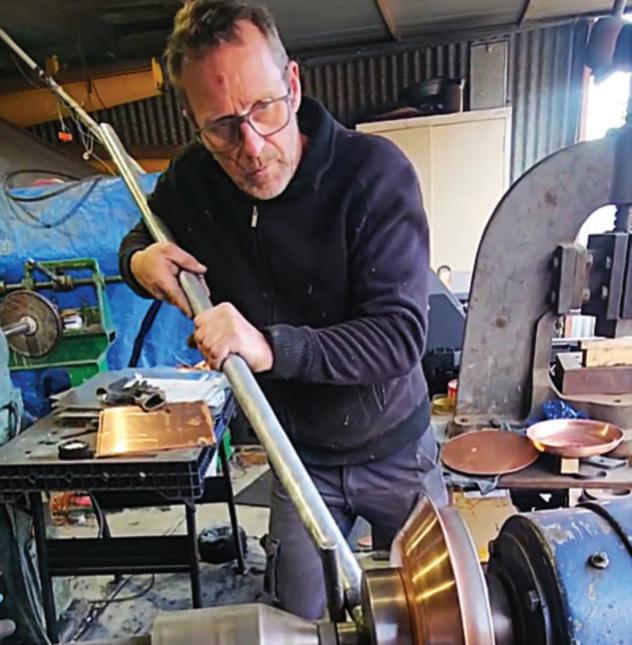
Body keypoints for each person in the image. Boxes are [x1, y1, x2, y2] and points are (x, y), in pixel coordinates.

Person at [118, 0, 447, 620]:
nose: (250, 146)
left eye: (264, 108)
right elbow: (144, 235)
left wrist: (269, 346)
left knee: (436, 618)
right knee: (296, 623)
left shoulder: (373, 174)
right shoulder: (194, 181)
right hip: (299, 460)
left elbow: (399, 336)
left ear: (292, 84)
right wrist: (139, 261)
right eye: (221, 126)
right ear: (194, 123)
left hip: (397, 452)